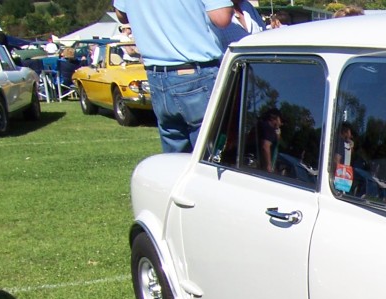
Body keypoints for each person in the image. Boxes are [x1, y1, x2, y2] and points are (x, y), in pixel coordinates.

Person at [113, 0, 234, 154]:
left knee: (174, 159)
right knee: (212, 155)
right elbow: (222, 17)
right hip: (195, 73)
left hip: (156, 75)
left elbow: (121, 15)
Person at [256, 108, 283, 173]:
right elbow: (265, 146)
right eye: (280, 119)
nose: (281, 123)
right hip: (257, 165)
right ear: (273, 118)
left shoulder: (261, 125)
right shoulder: (269, 129)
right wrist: (268, 166)